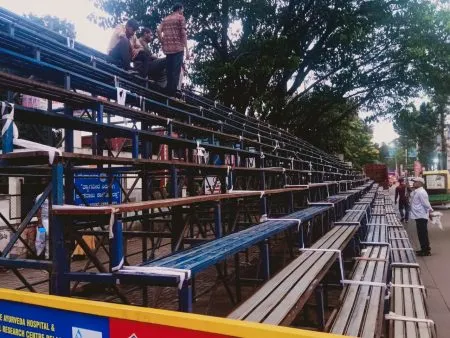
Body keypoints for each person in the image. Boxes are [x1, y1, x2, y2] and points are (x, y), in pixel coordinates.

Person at [157, 3, 190, 96]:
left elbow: (158, 30)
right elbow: (183, 34)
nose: (182, 12)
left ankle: (168, 90)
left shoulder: (165, 19)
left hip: (168, 49)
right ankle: (172, 93)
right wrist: (187, 50)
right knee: (176, 71)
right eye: (182, 10)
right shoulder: (181, 18)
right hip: (178, 48)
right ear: (179, 9)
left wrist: (162, 41)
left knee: (169, 70)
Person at [410, 177, 433, 256]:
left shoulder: (421, 192)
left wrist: (430, 212)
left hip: (421, 216)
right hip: (418, 215)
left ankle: (426, 250)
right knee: (421, 234)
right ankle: (424, 248)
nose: (413, 183)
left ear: (420, 183)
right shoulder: (417, 192)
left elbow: (426, 204)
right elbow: (411, 195)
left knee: (422, 234)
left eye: (415, 182)